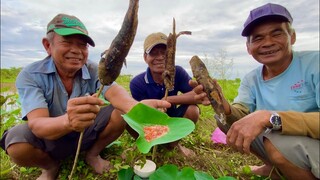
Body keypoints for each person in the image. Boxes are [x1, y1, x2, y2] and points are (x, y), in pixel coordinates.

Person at [0, 14, 171, 180]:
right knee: (16, 143)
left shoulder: (92, 69)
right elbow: (37, 124)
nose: (76, 51)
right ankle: (50, 166)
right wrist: (68, 121)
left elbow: (116, 93)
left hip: (85, 131)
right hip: (51, 136)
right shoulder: (30, 75)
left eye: (82, 45)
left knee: (120, 112)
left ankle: (92, 154)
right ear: (48, 45)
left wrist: (138, 109)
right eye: (67, 42)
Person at [190, 3, 319, 180]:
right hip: (286, 144)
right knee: (225, 121)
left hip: (312, 145)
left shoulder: (315, 64)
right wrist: (222, 103)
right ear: (249, 47)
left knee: (277, 141)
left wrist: (270, 117)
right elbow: (240, 112)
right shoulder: (252, 78)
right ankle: (274, 167)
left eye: (277, 33)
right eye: (258, 38)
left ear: (292, 37)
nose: (268, 43)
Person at [128, 32, 200, 156]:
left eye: (165, 53)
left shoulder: (178, 72)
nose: (160, 57)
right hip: (148, 123)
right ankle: (146, 145)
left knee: (193, 110)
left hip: (172, 120)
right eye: (153, 53)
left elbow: (196, 96)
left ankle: (173, 145)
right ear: (145, 57)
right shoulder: (137, 83)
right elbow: (136, 114)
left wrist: (169, 100)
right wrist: (155, 109)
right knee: (127, 115)